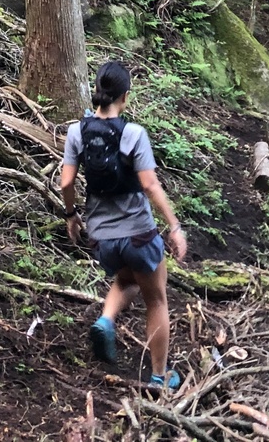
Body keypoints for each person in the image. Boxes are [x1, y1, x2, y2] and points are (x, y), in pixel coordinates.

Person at [61, 60, 188, 391]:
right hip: (138, 234)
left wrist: (71, 215)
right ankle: (160, 376)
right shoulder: (133, 134)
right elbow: (149, 185)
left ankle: (106, 320)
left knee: (127, 278)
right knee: (156, 299)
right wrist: (174, 226)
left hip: (102, 238)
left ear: (97, 92)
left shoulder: (76, 132)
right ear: (125, 96)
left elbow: (66, 182)